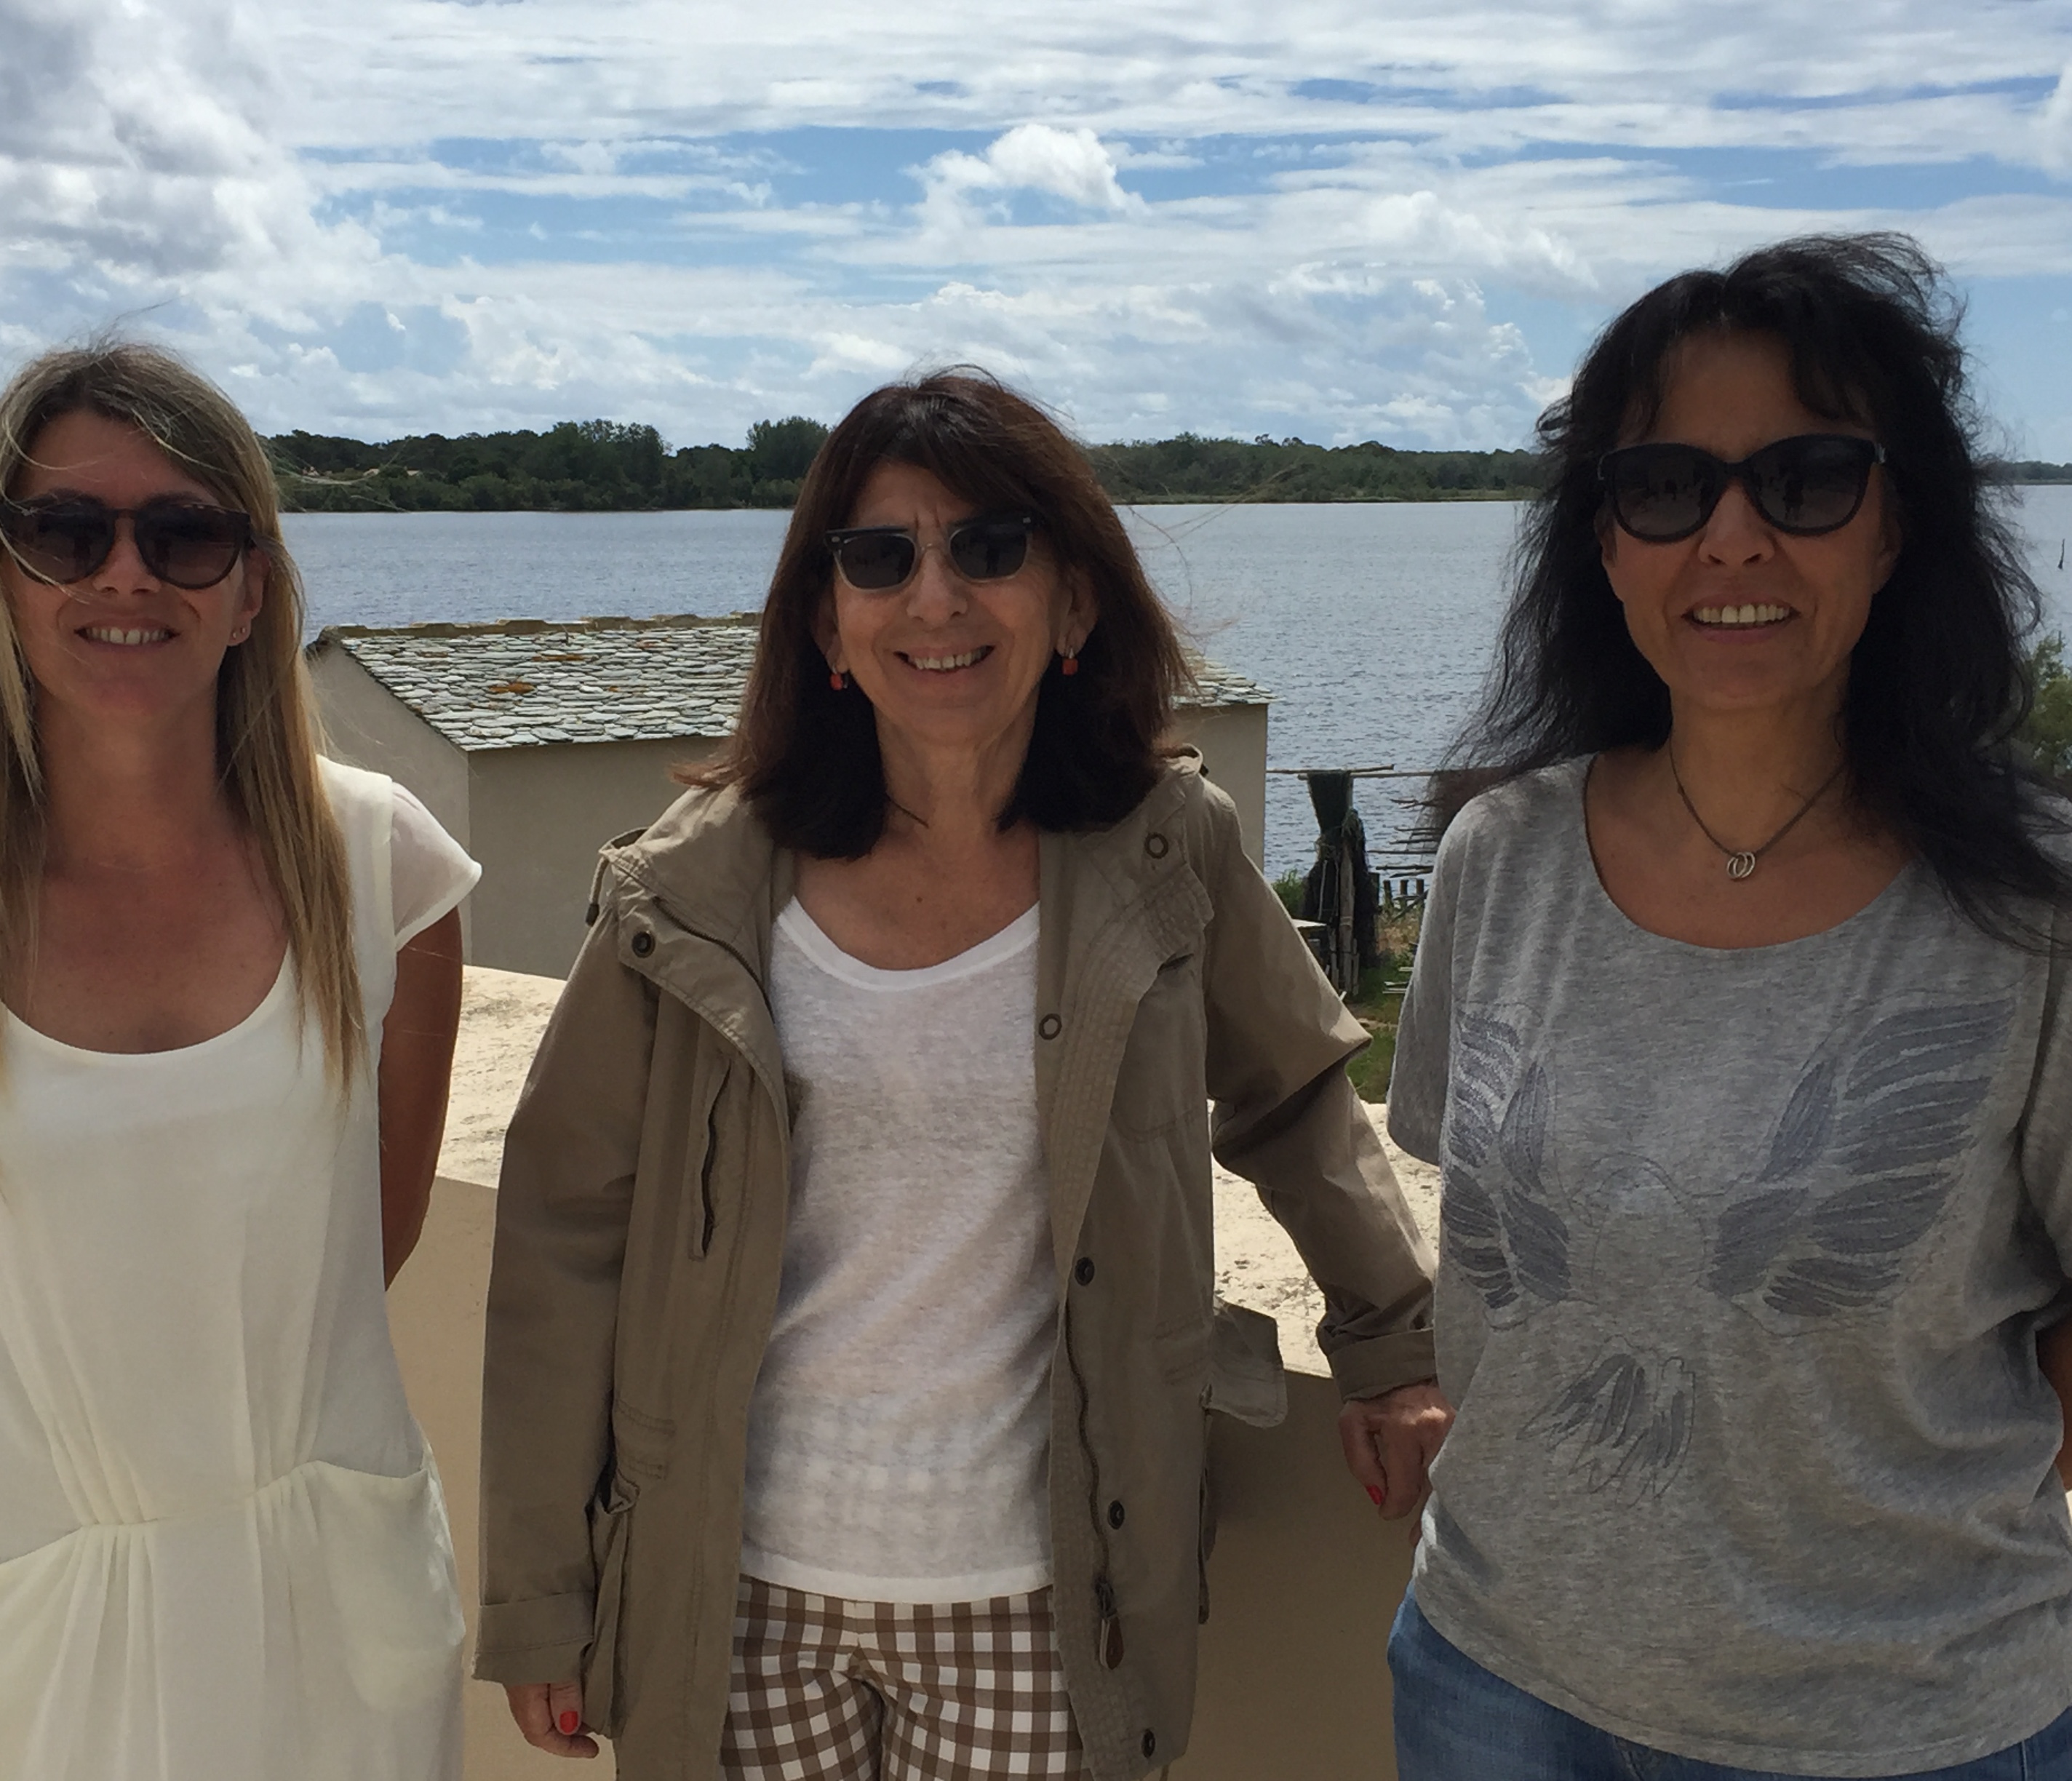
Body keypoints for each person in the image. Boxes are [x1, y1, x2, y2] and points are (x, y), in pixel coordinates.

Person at [474, 370, 1449, 1780]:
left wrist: (1391, 1344)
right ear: (826, 617)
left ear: (1073, 601)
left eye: (990, 549)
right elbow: (565, 1236)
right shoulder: (691, 890)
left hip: (1046, 1594)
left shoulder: (1168, 851)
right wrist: (541, 1597)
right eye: (880, 559)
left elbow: (1294, 1097)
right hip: (733, 1597)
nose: (935, 599)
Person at [1387, 233, 2072, 1779]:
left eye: (1808, 480)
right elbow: (1493, 1261)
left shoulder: (2032, 912)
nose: (1735, 538)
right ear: (1608, 541)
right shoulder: (1504, 860)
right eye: (1668, 487)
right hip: (1491, 1680)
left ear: (1897, 524)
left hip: (1900, 1724)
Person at [0, 340, 477, 1777]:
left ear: (251, 588)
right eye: (66, 533)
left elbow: (367, 1234)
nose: (126, 575)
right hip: (36, 1619)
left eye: (186, 532)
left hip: (333, 1592)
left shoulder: (381, 870)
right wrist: (72, 1486)